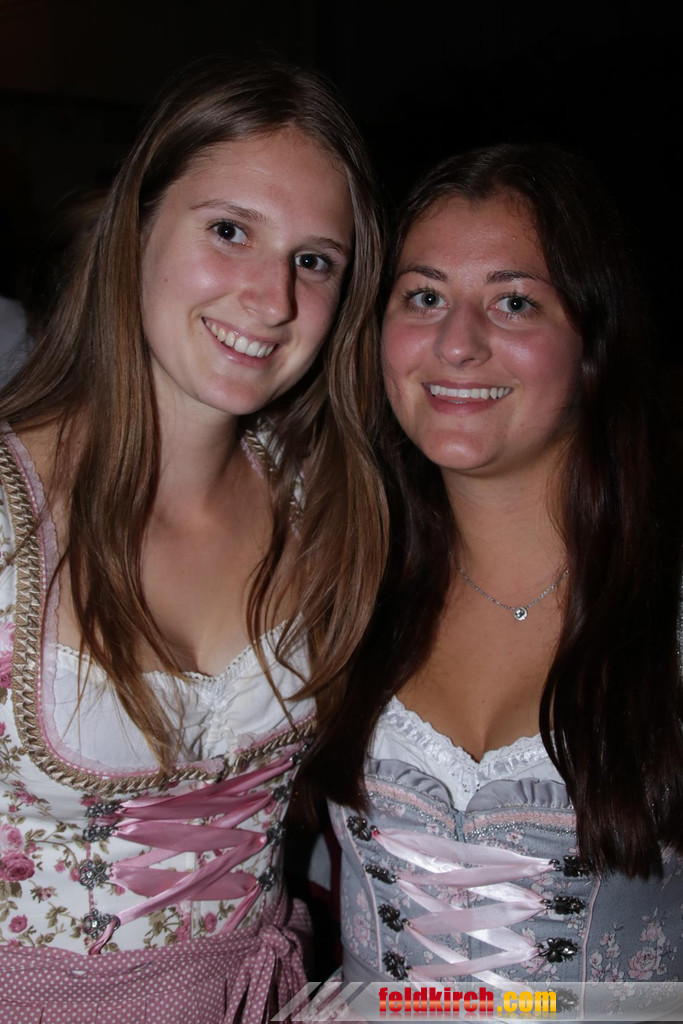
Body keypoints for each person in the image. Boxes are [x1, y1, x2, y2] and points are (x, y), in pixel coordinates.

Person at [0, 57, 385, 1023]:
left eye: (314, 260)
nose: (272, 298)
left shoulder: (328, 504)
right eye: (229, 231)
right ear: (136, 228)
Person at [304, 143, 683, 1006]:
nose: (456, 343)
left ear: (593, 340)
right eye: (423, 297)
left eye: (514, 302)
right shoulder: (338, 583)